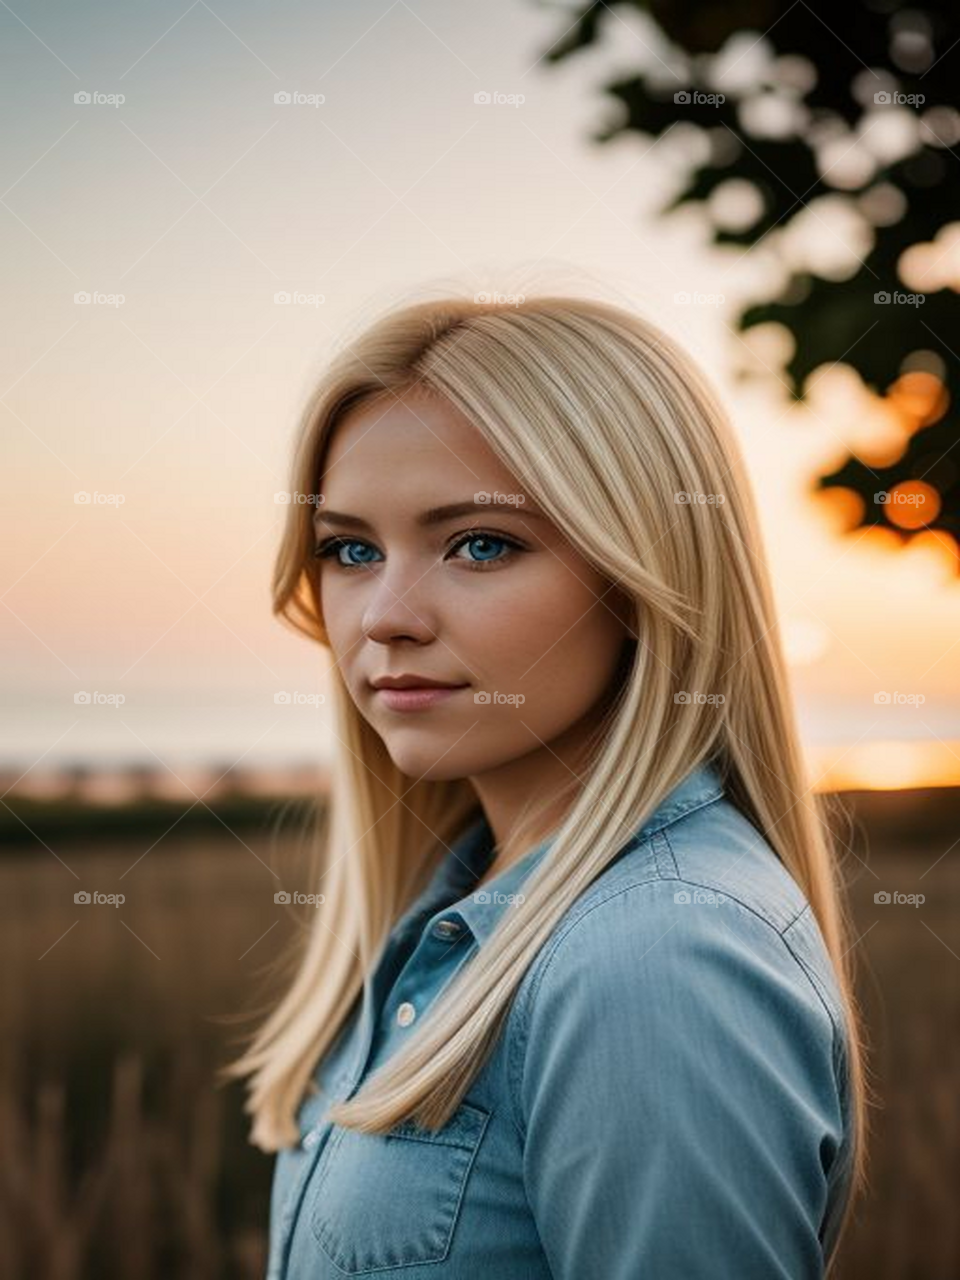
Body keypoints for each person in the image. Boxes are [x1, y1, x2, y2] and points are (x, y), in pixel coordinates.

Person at [225, 294, 869, 1278]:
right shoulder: (461, 902)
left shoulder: (659, 957)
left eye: (481, 542)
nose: (385, 615)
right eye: (350, 548)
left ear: (643, 573)